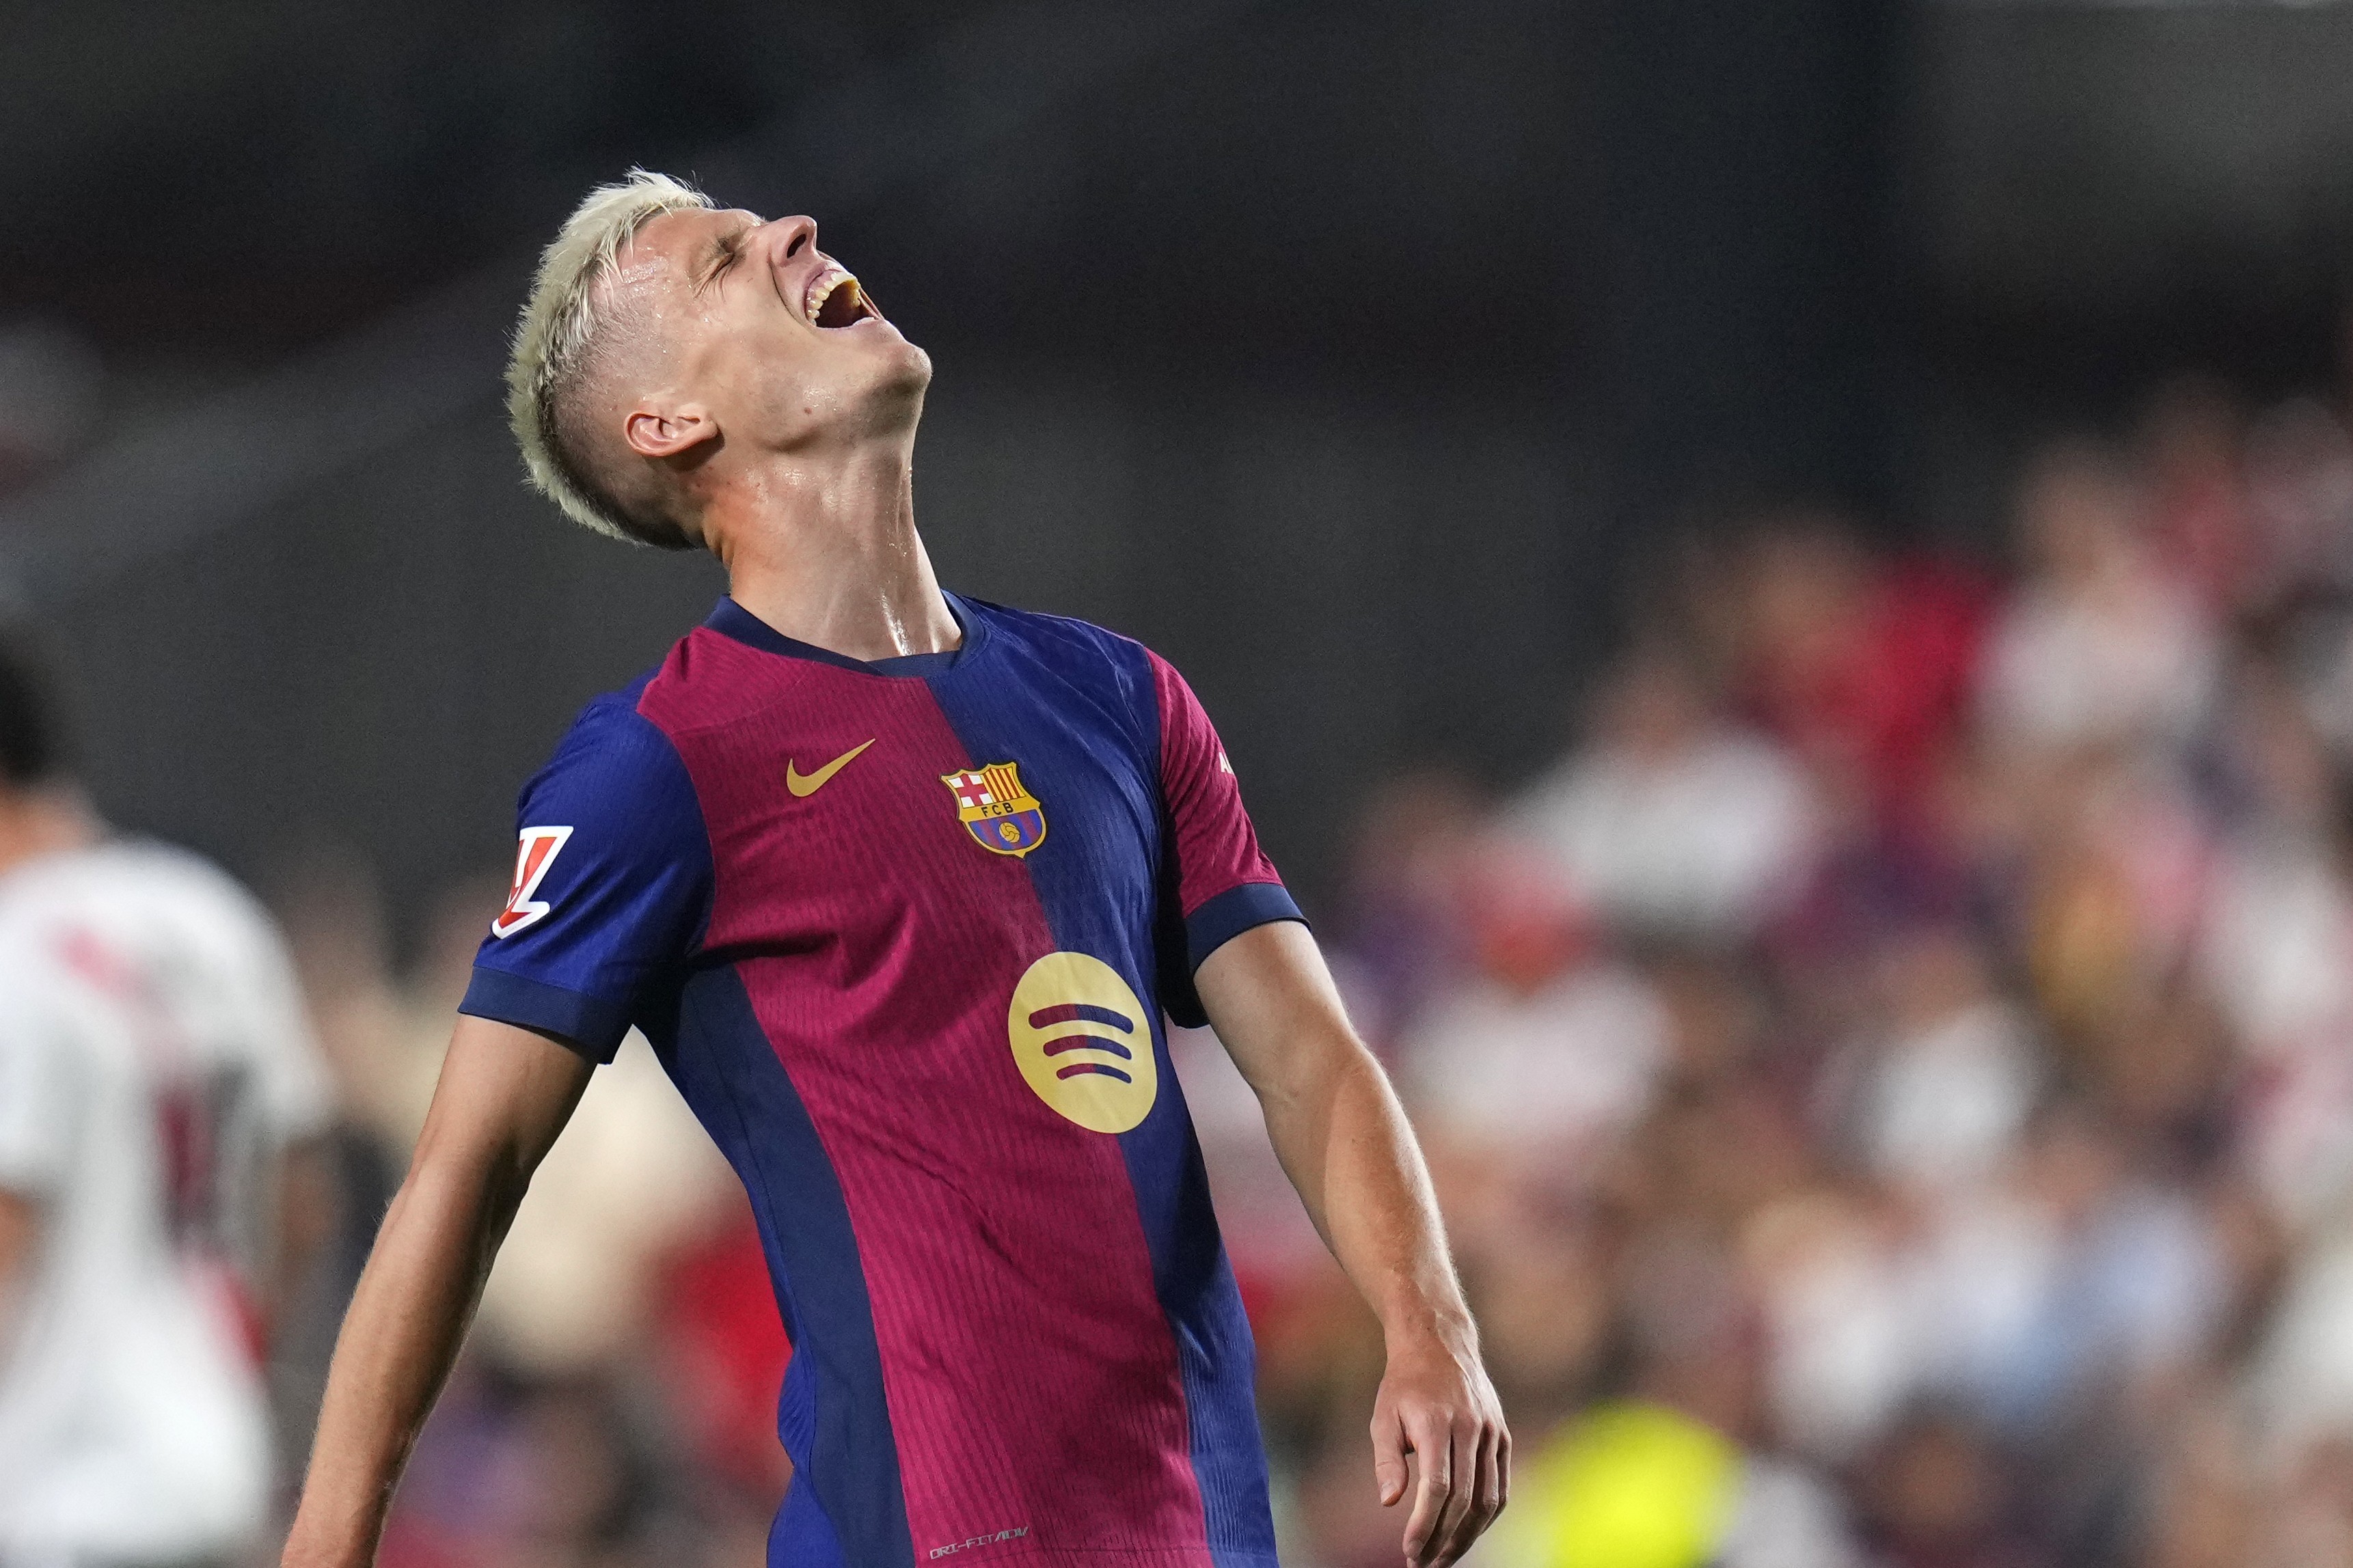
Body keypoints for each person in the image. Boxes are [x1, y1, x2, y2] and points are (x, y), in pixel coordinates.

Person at [283, 171, 1508, 1568]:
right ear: (669, 422)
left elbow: (1308, 1056)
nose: (795, 231)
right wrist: (329, 1543)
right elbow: (465, 1170)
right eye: (725, 261)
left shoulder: (1122, 698)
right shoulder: (658, 764)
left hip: (1205, 1535)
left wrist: (1430, 1325)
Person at [0, 628, 334, 1568]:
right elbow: (303, 1204)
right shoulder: (213, 915)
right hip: (218, 1466)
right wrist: (223, 1360)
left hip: (67, 1494)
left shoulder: (14, 951)